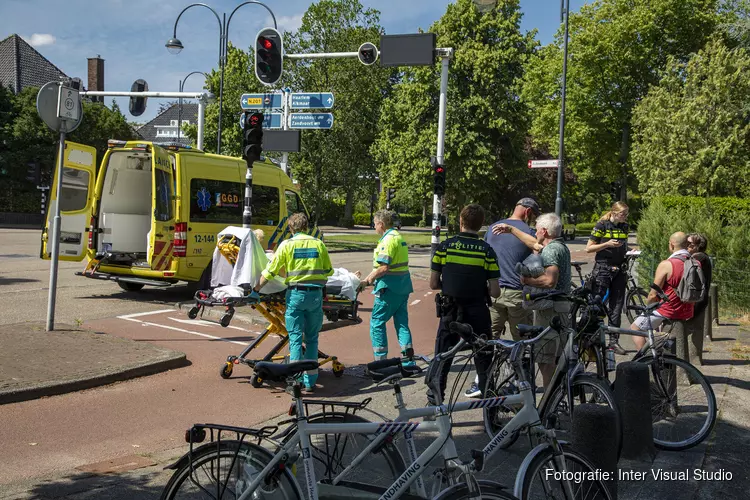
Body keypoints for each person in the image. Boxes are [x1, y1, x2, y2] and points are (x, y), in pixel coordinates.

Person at [463, 197, 539, 398]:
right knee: (522, 342)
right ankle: (521, 383)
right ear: (528, 212)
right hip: (517, 294)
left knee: (487, 340)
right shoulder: (528, 233)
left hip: (493, 292)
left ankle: (480, 382)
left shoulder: (493, 228)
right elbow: (539, 248)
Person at [254, 213, 333, 393]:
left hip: (296, 295)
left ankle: (295, 381)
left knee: (296, 338)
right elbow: (328, 271)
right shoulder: (318, 244)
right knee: (312, 339)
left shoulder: (286, 245)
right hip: (315, 296)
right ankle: (310, 381)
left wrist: (255, 290)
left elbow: (270, 271)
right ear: (306, 226)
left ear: (290, 228)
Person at [429, 204, 500, 403]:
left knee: (442, 358)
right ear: (481, 225)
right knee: (484, 360)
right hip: (478, 311)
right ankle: (490, 409)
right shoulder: (487, 251)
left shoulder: (444, 247)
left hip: (450, 311)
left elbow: (433, 284)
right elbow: (495, 291)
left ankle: (435, 404)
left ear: (460, 221)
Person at [493, 213, 571, 387]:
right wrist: (511, 229)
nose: (536, 234)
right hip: (563, 307)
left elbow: (550, 281)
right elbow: (533, 243)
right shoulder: (561, 247)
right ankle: (560, 395)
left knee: (545, 359)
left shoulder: (550, 250)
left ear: (544, 231)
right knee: (559, 357)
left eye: (537, 231)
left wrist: (526, 281)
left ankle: (548, 402)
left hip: (550, 310)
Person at [359, 210, 414, 364]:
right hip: (403, 287)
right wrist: (368, 277)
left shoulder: (387, 241)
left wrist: (367, 281)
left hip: (389, 288)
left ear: (381, 224)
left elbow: (383, 268)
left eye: (375, 224)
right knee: (402, 323)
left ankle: (380, 361)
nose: (374, 227)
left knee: (377, 322)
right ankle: (408, 360)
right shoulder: (398, 237)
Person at [630, 232, 694, 351]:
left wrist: (648, 306)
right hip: (688, 309)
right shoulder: (695, 263)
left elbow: (653, 294)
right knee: (655, 329)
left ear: (672, 244)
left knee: (635, 328)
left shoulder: (667, 264)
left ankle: (646, 359)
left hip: (668, 310)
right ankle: (656, 351)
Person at [586, 201, 630, 355]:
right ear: (614, 213)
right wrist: (607, 244)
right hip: (603, 268)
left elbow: (622, 245)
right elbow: (589, 248)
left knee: (616, 306)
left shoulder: (624, 226)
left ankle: (613, 342)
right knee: (596, 304)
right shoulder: (602, 225)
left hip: (619, 269)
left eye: (626, 214)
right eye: (622, 214)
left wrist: (630, 251)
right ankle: (590, 337)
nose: (625, 217)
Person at [685, 233, 712, 365]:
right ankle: (694, 360)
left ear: (697, 246)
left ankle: (691, 361)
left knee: (689, 329)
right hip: (700, 298)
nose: (686, 246)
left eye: (689, 244)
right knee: (695, 329)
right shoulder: (702, 257)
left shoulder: (699, 257)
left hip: (696, 300)